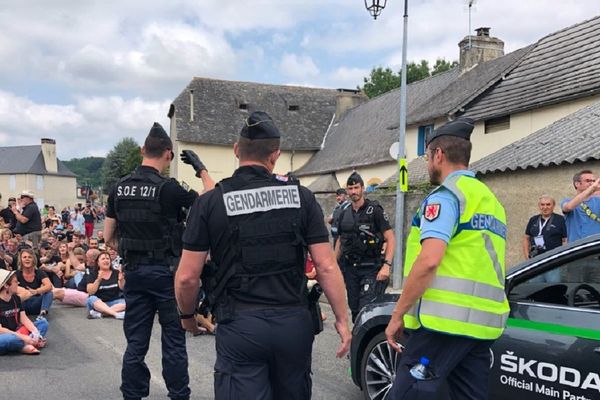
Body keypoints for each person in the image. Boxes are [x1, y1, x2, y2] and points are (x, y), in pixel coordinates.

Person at [174, 110, 351, 400]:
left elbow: (187, 277)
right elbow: (326, 265)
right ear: (275, 155)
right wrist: (342, 320)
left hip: (241, 327)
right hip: (293, 324)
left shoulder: (210, 203)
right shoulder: (302, 197)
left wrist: (187, 316)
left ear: (236, 151)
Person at [384, 117, 509, 399]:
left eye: (428, 156)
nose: (428, 163)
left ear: (438, 155)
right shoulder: (491, 201)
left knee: (405, 395)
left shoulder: (446, 197)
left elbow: (429, 261)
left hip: (442, 325)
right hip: (481, 327)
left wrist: (397, 314)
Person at [104, 122, 215, 400]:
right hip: (167, 274)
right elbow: (210, 198)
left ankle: (132, 394)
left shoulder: (118, 188)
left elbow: (108, 237)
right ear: (168, 154)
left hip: (135, 273)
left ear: (143, 150)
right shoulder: (169, 189)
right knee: (174, 340)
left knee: (136, 342)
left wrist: (131, 254)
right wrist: (201, 169)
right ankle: (178, 394)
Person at [334, 171, 395, 322]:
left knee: (366, 308)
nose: (353, 191)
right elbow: (340, 241)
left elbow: (390, 238)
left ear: (363, 188)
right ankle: (359, 341)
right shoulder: (343, 213)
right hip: (350, 269)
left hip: (370, 269)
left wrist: (387, 265)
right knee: (354, 308)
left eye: (356, 187)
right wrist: (333, 265)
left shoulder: (374, 210)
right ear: (347, 191)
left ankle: (367, 342)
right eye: (350, 188)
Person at [0, 270, 48, 355]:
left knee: (43, 323)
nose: (18, 283)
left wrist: (36, 333)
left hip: (17, 331)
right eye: (15, 282)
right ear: (6, 285)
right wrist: (23, 337)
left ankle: (25, 344)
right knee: (10, 339)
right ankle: (24, 346)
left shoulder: (16, 298)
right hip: (5, 334)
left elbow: (24, 318)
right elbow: (1, 330)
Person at [523, 195, 567, 265]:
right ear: (539, 206)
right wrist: (527, 257)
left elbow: (565, 240)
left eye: (548, 205)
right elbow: (526, 238)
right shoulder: (533, 219)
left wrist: (563, 258)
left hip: (554, 261)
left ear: (553, 206)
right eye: (542, 205)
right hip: (535, 260)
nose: (545, 207)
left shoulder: (560, 220)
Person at [561, 170, 600, 242]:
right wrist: (592, 188)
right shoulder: (567, 201)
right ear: (577, 184)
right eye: (588, 181)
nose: (592, 183)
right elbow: (568, 207)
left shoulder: (598, 200)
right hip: (577, 248)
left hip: (596, 246)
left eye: (593, 181)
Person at [86, 251, 125, 319]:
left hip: (114, 302)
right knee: (91, 299)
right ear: (98, 263)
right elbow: (90, 292)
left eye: (107, 258)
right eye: (103, 259)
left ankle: (101, 314)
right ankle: (116, 314)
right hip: (98, 303)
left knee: (127, 302)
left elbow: (122, 288)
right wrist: (98, 280)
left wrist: (121, 279)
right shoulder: (93, 274)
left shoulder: (116, 272)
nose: (106, 260)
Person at [15, 248, 53, 318]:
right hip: (23, 303)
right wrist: (23, 291)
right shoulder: (16, 274)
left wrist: (36, 291)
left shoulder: (39, 272)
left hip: (36, 302)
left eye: (30, 257)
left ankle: (42, 314)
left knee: (49, 293)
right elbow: (10, 287)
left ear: (33, 260)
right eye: (24, 257)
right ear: (21, 260)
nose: (27, 259)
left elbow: (49, 286)